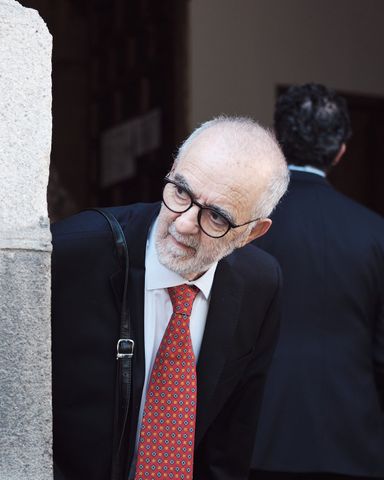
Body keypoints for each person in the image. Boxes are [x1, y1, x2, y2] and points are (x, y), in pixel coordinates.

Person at [51, 117, 290, 480]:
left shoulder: (260, 283)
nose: (182, 223)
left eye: (216, 216)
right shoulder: (72, 253)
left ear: (252, 233)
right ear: (173, 169)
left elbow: (230, 442)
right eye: (181, 192)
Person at [250, 84, 384, 480]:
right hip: (355, 442)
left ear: (275, 140)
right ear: (341, 149)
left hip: (260, 437)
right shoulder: (376, 233)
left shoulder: (245, 227)